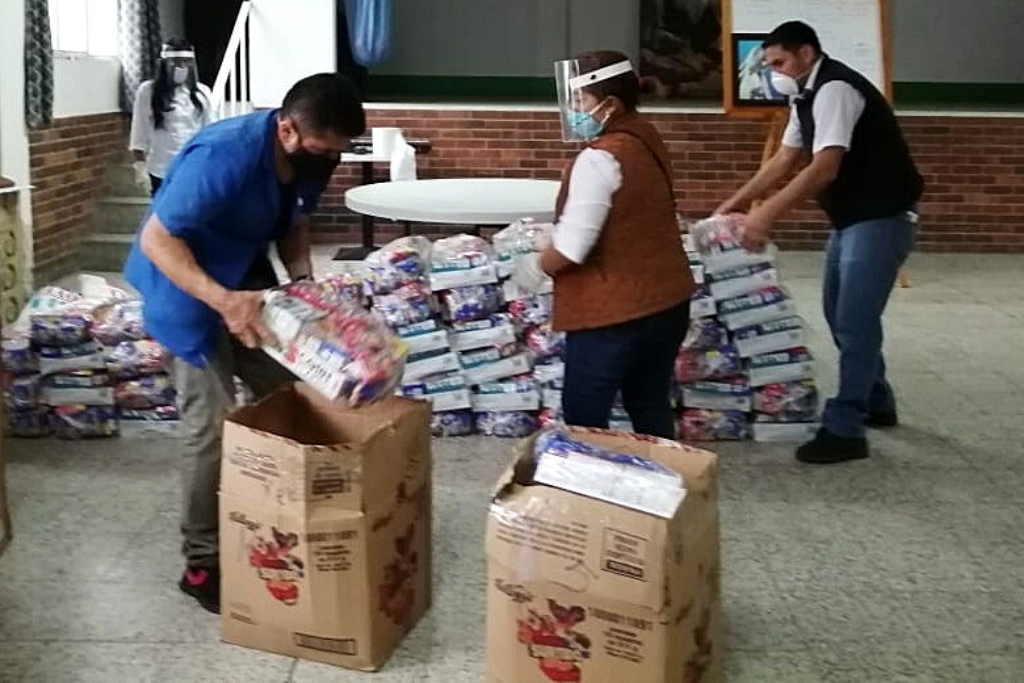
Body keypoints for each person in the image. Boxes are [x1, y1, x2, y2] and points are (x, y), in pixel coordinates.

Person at [124, 73, 366, 613]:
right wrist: (223, 301)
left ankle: (273, 511)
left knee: (290, 389)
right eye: (323, 150)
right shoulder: (225, 155)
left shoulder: (310, 157)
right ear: (286, 129)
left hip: (247, 280)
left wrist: (303, 285)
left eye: (338, 154)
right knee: (212, 422)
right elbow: (158, 239)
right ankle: (202, 560)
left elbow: (295, 220)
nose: (328, 161)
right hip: (185, 286)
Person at [715, 21, 923, 464]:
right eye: (769, 64)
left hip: (881, 217)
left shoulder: (834, 90)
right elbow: (785, 159)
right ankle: (877, 400)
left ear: (806, 53)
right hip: (852, 219)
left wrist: (765, 214)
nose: (774, 72)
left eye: (779, 62)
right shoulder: (804, 94)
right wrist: (731, 205)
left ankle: (846, 428)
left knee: (853, 319)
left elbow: (823, 167)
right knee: (842, 313)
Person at [514, 51, 695, 439]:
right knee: (648, 402)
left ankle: (589, 496)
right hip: (668, 298)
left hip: (614, 314)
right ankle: (661, 485)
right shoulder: (645, 137)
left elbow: (572, 248)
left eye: (580, 101)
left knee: (585, 415)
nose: (572, 111)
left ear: (610, 104)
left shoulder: (599, 158)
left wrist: (535, 266)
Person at [129, 39, 215, 196]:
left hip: (192, 169)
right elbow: (138, 132)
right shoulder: (148, 91)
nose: (181, 66)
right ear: (164, 63)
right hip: (160, 169)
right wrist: (139, 165)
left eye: (186, 61)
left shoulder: (203, 93)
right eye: (175, 62)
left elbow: (210, 133)